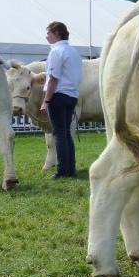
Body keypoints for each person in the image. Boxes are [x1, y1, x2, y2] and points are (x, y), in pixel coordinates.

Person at [39, 21, 82, 179]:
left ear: (57, 33)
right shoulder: (74, 52)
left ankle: (62, 170)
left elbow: (53, 78)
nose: (47, 36)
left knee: (59, 134)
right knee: (66, 134)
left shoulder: (56, 51)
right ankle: (70, 168)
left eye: (49, 33)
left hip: (58, 95)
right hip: (72, 95)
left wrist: (46, 100)